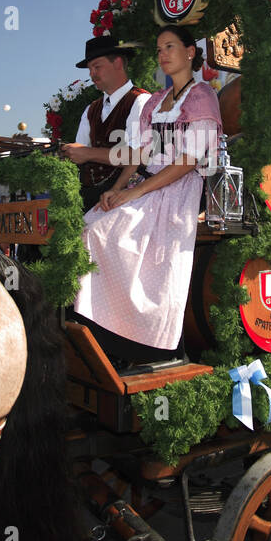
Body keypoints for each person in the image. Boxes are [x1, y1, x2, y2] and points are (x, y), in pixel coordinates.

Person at [72, 26, 221, 362]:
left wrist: (132, 193)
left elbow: (187, 161)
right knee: (90, 222)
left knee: (105, 233)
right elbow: (140, 154)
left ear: (190, 52)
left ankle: (140, 342)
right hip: (148, 182)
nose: (163, 54)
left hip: (177, 188)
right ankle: (101, 331)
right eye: (158, 49)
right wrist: (115, 188)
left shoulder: (201, 97)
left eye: (170, 46)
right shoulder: (156, 100)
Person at [60, 36, 150, 213]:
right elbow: (79, 153)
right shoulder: (91, 109)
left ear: (117, 63)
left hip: (126, 197)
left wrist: (87, 153)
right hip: (89, 196)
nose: (92, 74)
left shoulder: (141, 101)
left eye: (97, 67)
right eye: (90, 69)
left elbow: (139, 157)